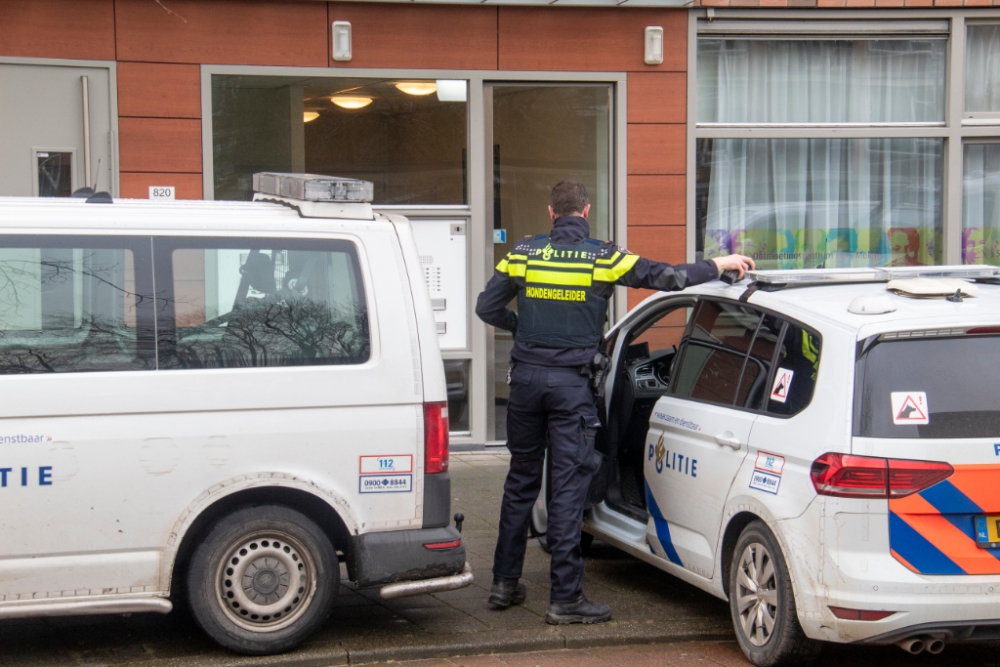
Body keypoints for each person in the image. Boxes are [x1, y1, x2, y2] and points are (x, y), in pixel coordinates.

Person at [475, 180, 754, 625]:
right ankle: (565, 598)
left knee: (521, 482)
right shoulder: (601, 256)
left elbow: (486, 307)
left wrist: (523, 329)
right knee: (567, 492)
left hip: (525, 383)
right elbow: (669, 279)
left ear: (551, 213)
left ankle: (504, 584)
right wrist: (718, 263)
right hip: (570, 388)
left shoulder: (523, 253)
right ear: (585, 211)